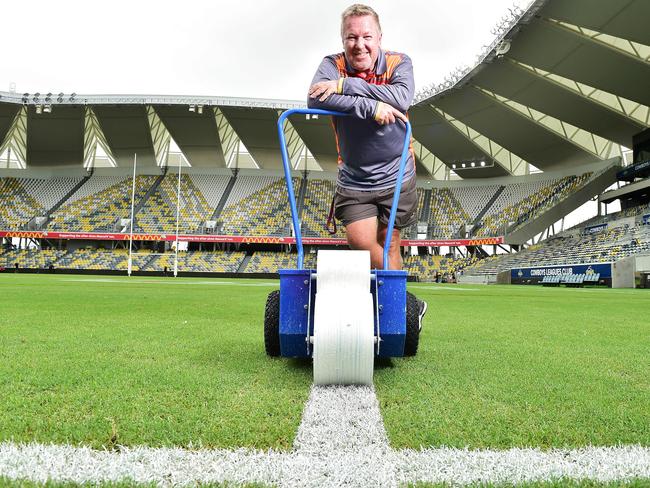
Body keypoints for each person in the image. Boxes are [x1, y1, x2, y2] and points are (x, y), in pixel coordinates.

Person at [307, 3, 427, 328]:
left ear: (379, 37)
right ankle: (403, 302)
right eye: (351, 37)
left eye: (366, 36)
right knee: (361, 243)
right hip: (355, 178)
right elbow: (316, 98)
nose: (359, 44)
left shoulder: (399, 62)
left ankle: (394, 315)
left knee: (391, 241)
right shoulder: (330, 64)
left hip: (397, 172)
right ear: (342, 40)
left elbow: (401, 98)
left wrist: (346, 87)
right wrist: (371, 107)